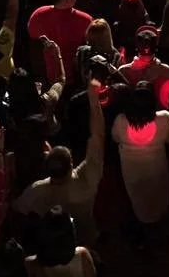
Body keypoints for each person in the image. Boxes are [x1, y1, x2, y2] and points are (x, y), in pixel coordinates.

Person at [15, 78, 105, 248]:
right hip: (86, 237)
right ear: (72, 164)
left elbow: (18, 207)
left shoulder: (36, 190)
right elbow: (98, 137)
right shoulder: (86, 181)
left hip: (55, 245)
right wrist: (94, 102)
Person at [112, 83, 169, 228]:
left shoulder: (121, 120)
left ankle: (142, 228)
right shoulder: (165, 118)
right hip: (157, 166)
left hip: (131, 170)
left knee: (138, 198)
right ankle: (160, 226)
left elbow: (115, 138)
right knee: (158, 194)